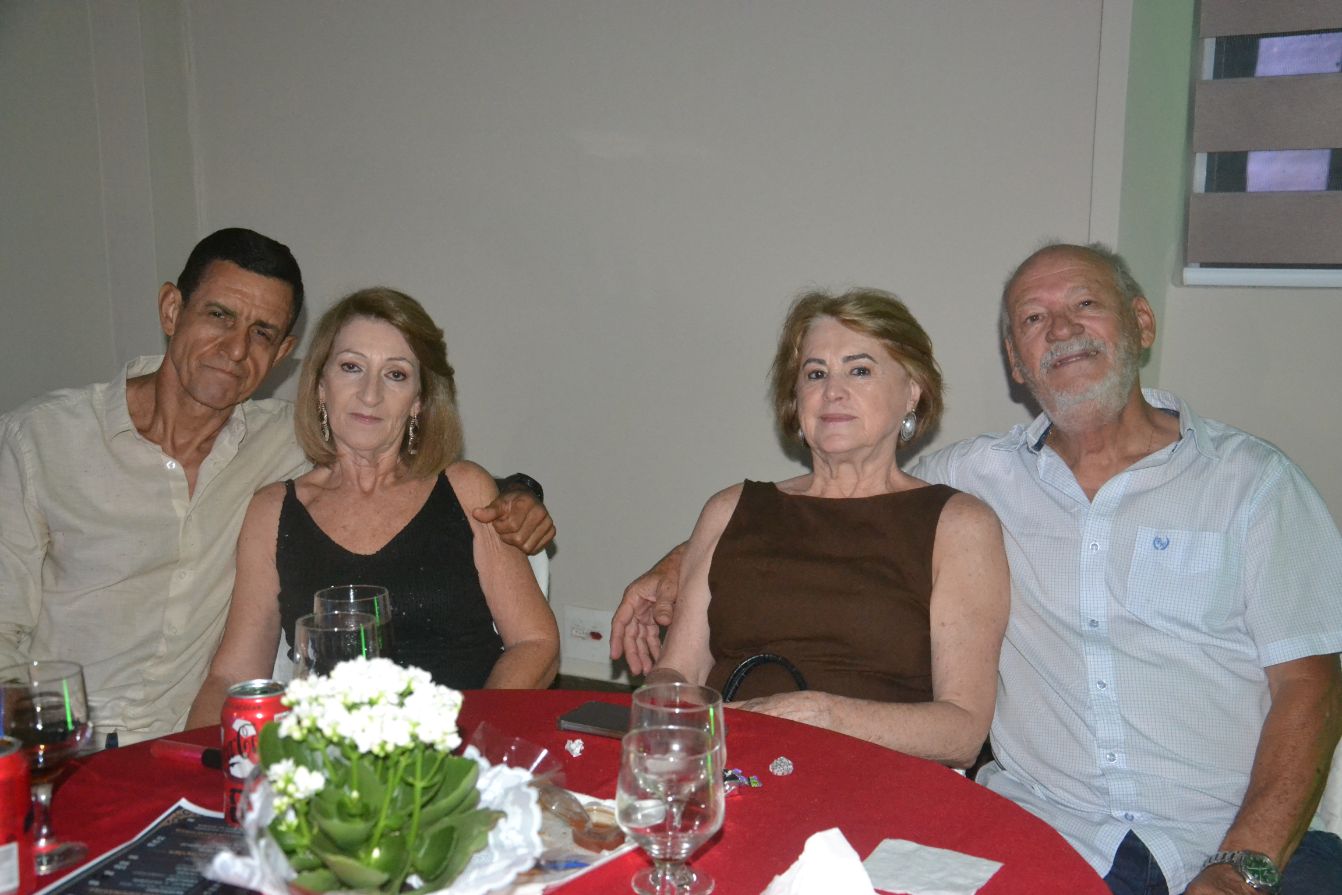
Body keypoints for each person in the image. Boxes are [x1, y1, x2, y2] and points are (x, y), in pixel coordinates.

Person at [611, 244, 1342, 894]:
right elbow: (835, 512)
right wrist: (679, 562)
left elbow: (1311, 688)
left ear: (1141, 324)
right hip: (1054, 824)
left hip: (1238, 831)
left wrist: (1242, 865)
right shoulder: (981, 476)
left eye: (1085, 304)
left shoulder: (1253, 484)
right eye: (1034, 319)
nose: (1061, 329)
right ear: (1017, 362)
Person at [0, 229, 554, 746]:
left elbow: (439, 487)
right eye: (219, 315)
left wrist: (520, 491)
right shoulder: (42, 441)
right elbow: (231, 673)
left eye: (395, 374)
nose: (236, 349)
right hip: (60, 731)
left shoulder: (293, 445)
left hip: (444, 753)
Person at [644, 288, 1008, 768]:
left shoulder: (959, 525)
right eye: (815, 373)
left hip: (874, 780)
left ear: (913, 391)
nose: (832, 391)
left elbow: (962, 731)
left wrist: (821, 716)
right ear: (795, 399)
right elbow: (677, 669)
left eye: (860, 370)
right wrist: (674, 710)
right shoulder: (730, 509)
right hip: (731, 768)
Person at [187, 288, 559, 725]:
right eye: (351, 367)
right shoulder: (271, 512)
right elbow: (232, 675)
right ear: (321, 386)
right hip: (333, 753)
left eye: (396, 375)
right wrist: (193, 757)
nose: (370, 394)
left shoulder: (466, 490)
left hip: (463, 747)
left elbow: (536, 644)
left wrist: (472, 738)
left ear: (418, 400)